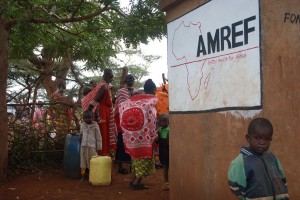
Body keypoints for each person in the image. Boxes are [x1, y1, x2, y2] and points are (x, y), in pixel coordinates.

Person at [228, 118, 289, 200]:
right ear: (248, 138)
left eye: (266, 139)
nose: (262, 142)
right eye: (258, 138)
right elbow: (235, 186)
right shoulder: (241, 161)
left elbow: (282, 178)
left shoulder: (272, 157)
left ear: (270, 140)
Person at [119, 79, 158, 190]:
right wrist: (154, 136)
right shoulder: (149, 103)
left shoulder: (136, 101)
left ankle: (132, 181)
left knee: (135, 159)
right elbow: (151, 121)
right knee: (145, 160)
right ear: (154, 90)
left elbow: (121, 108)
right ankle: (136, 183)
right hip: (144, 138)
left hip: (131, 137)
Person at [82, 68, 117, 156]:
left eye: (111, 75)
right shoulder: (104, 86)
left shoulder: (106, 86)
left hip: (105, 113)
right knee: (102, 135)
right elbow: (96, 99)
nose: (111, 77)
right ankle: (101, 155)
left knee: (104, 135)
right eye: (109, 75)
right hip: (102, 114)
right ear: (104, 76)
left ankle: (103, 155)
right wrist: (89, 110)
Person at [114, 74, 138, 174]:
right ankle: (120, 166)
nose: (131, 80)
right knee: (121, 141)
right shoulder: (121, 92)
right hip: (122, 119)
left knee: (132, 142)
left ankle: (132, 165)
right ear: (125, 80)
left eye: (133, 78)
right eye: (129, 78)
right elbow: (119, 105)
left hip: (133, 120)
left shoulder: (136, 91)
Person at [79, 110, 102, 181]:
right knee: (83, 161)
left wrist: (99, 147)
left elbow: (98, 137)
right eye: (85, 118)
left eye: (89, 118)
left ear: (93, 117)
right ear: (83, 118)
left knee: (92, 161)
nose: (87, 119)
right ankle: (84, 175)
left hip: (92, 147)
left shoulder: (95, 125)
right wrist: (81, 142)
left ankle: (92, 175)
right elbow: (81, 134)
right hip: (84, 146)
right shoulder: (82, 125)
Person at [157, 113, 170, 190]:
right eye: (161, 121)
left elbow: (169, 143)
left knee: (171, 167)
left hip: (169, 152)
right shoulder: (159, 131)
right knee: (165, 167)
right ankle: (166, 183)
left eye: (164, 121)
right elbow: (157, 142)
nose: (162, 123)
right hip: (162, 152)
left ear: (168, 121)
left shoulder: (170, 130)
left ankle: (173, 181)